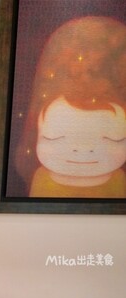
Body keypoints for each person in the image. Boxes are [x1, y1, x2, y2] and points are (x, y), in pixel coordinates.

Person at [13, 16, 126, 198]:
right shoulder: (42, 178)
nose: (83, 149)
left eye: (111, 139)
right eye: (55, 138)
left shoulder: (118, 180)